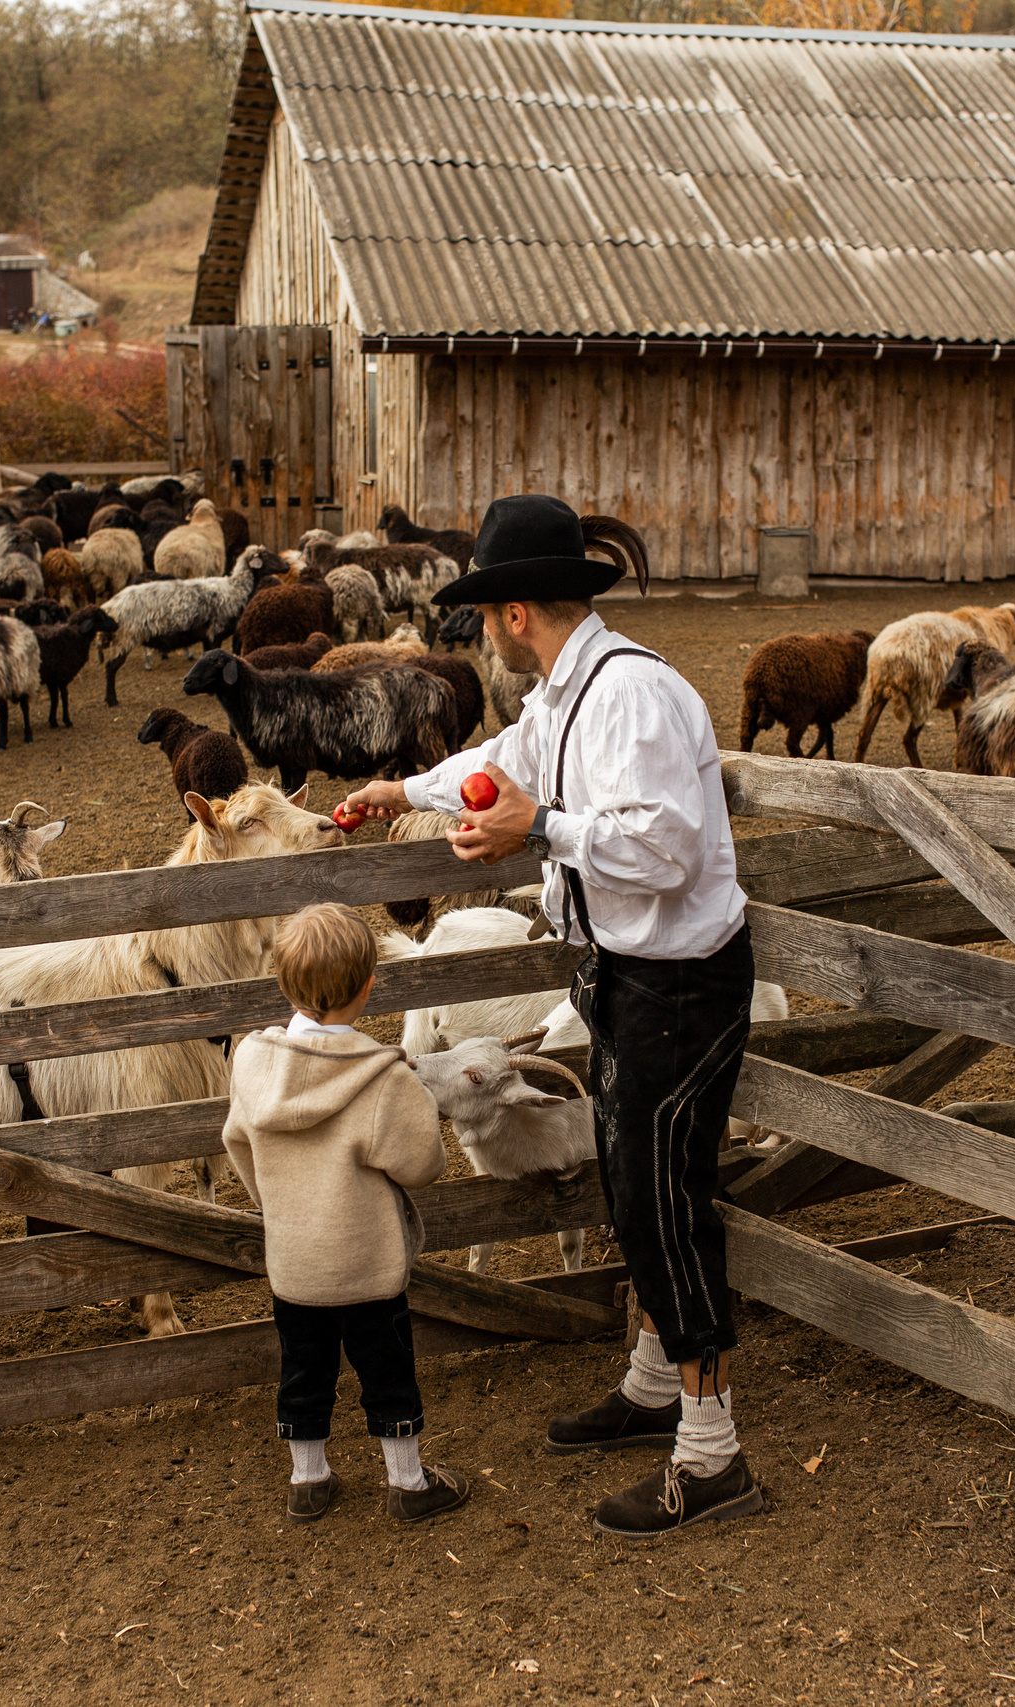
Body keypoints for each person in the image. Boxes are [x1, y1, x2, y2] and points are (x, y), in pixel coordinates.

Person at [337, 495, 764, 1538]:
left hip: (678, 980)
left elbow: (664, 850)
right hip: (625, 973)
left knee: (665, 1202)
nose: (483, 628)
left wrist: (544, 831)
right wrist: (406, 790)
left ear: (514, 610)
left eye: (488, 611)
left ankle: (713, 1458)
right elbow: (504, 765)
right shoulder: (564, 698)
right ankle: (654, 1390)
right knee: (634, 1191)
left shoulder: (634, 698)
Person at [221, 902, 469, 1525]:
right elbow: (422, 1164)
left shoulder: (251, 1063)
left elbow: (237, 1141)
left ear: (281, 983)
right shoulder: (382, 1080)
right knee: (386, 1368)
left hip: (295, 1262)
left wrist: (277, 1201)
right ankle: (407, 1483)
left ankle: (309, 1479)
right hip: (367, 1262)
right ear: (368, 987)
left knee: (303, 1368)